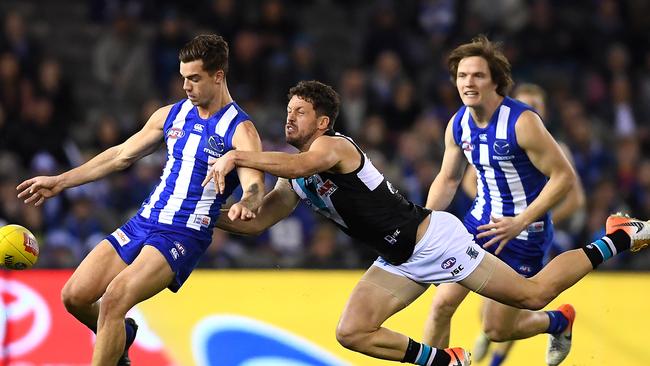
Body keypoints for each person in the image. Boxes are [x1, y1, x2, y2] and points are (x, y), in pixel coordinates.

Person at [205, 79, 649, 366]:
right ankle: (448, 361)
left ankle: (617, 236)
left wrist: (236, 156)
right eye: (288, 110)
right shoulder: (297, 179)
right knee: (352, 332)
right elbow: (256, 224)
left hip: (435, 243)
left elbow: (301, 166)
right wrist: (205, 215)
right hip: (397, 259)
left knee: (534, 296)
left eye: (299, 111)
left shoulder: (332, 147)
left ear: (322, 121)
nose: (289, 116)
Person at [16, 34, 264, 365]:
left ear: (218, 75)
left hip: (183, 233)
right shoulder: (172, 115)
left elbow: (254, 183)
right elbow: (119, 156)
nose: (186, 86)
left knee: (115, 298)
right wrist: (61, 181)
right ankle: (123, 336)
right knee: (74, 296)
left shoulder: (241, 130)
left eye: (194, 78)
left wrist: (247, 203)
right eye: (183, 78)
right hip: (146, 220)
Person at [423, 77, 586, 366]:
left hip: (528, 234)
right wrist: (496, 203)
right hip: (483, 228)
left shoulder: (555, 147)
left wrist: (529, 216)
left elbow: (574, 198)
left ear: (545, 111)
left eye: (536, 105)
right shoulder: (488, 132)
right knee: (442, 304)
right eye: (525, 104)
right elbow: (467, 180)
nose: (530, 110)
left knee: (498, 326)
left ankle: (556, 322)